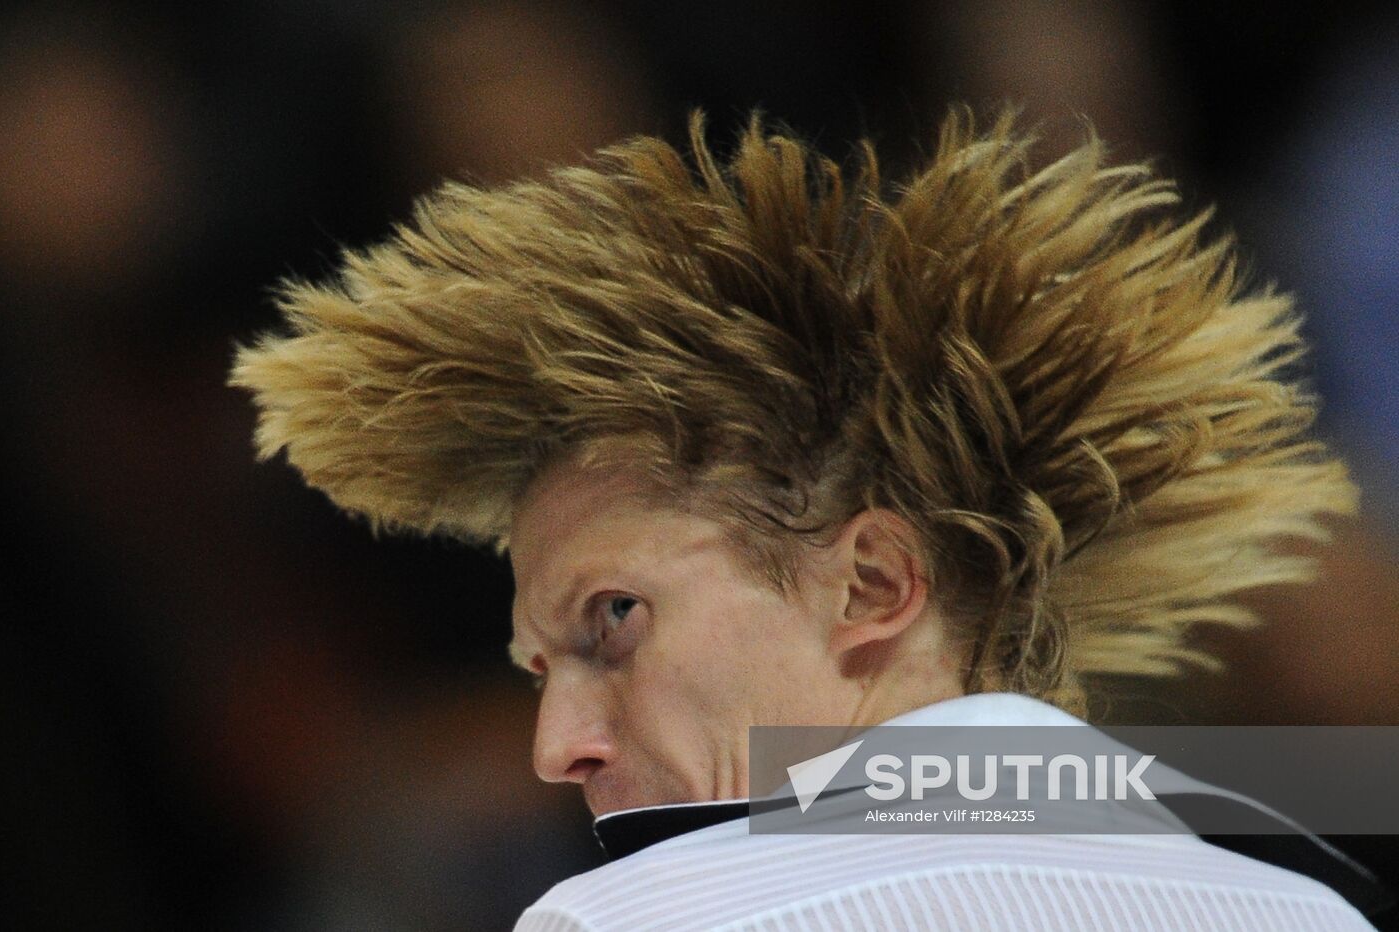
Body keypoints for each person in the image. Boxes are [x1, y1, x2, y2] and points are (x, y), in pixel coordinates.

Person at [231, 109, 1386, 929]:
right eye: (540, 668)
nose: (555, 745)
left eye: (613, 618)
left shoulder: (623, 919)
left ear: (874, 582)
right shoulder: (1303, 912)